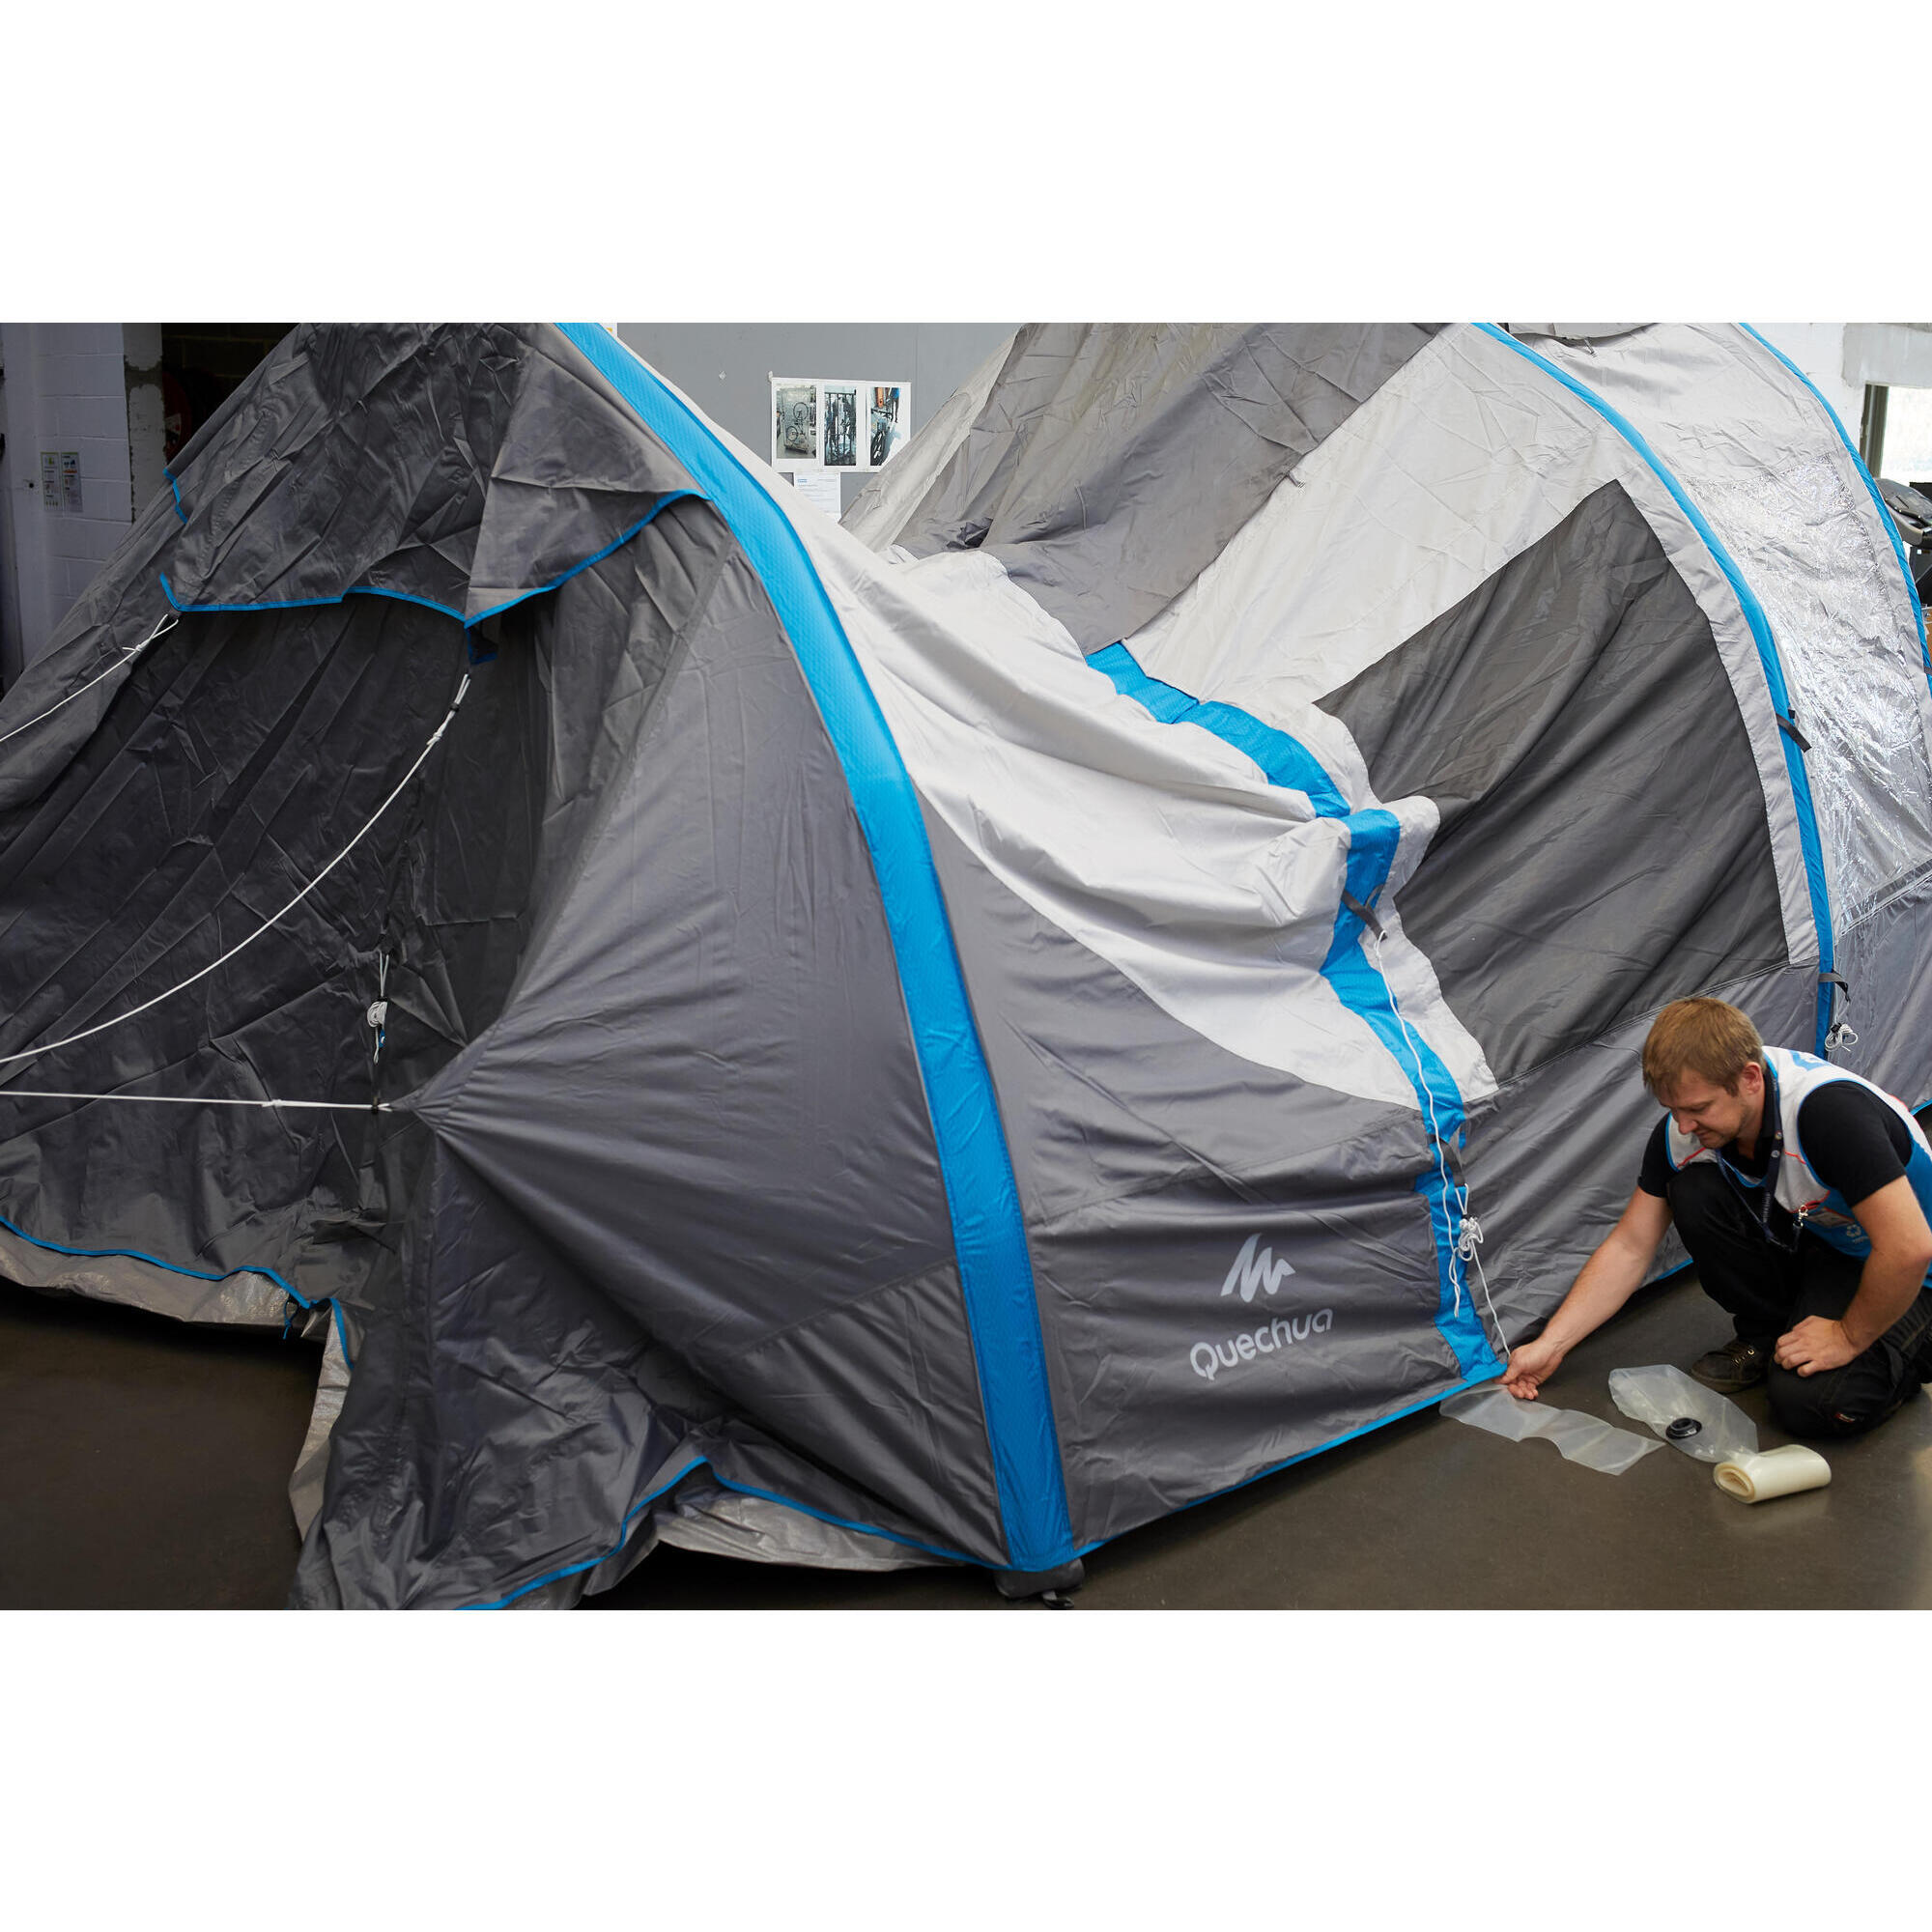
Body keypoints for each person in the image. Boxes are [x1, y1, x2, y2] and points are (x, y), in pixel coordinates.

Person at [1502, 997, 1932, 1436]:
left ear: (1748, 1078)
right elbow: (1631, 1246)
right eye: (1674, 1109)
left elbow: (1909, 1249)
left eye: (1699, 1108)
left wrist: (1846, 1336)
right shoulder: (1689, 1128)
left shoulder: (1827, 1112)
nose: (1684, 1126)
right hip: (1834, 1245)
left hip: (1913, 1271)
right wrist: (1551, 1345)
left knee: (1810, 1404)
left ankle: (1901, 1359)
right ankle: (1768, 1339)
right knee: (1692, 1190)